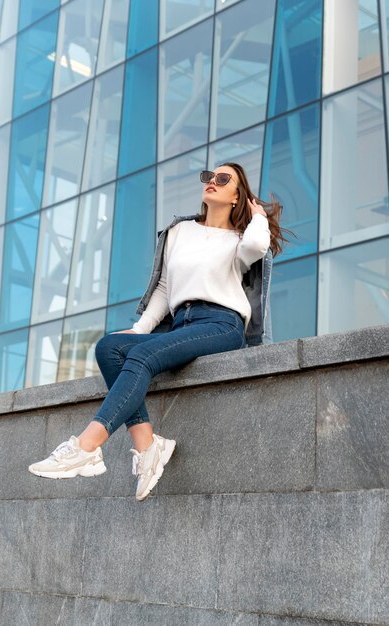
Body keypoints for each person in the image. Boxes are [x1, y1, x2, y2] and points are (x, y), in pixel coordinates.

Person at [28, 162, 287, 502]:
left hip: (221, 324)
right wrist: (139, 329)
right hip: (182, 323)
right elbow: (164, 290)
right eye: (208, 176)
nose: (211, 182)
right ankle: (147, 445)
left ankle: (87, 445)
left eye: (223, 180)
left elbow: (257, 247)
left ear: (236, 195)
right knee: (110, 347)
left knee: (142, 355)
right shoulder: (180, 232)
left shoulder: (240, 238)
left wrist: (257, 216)